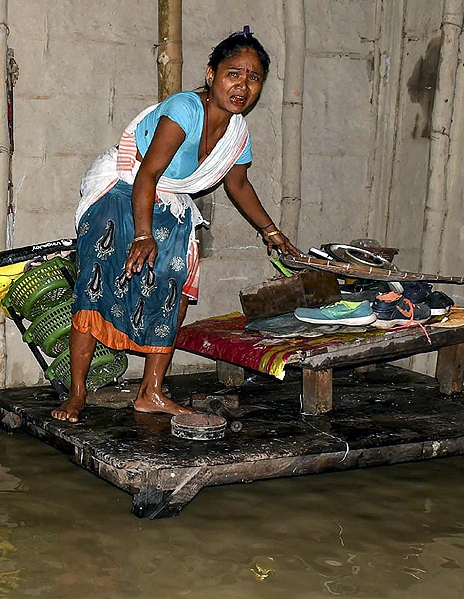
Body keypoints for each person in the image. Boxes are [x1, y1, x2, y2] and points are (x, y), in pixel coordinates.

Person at [52, 28, 301, 423]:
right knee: (95, 286)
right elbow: (147, 175)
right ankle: (77, 394)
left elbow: (238, 184)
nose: (243, 86)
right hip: (122, 190)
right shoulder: (185, 109)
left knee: (174, 287)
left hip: (167, 200)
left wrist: (272, 233)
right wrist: (143, 235)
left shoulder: (237, 133)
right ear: (210, 74)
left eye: (254, 78)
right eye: (234, 73)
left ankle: (150, 391)